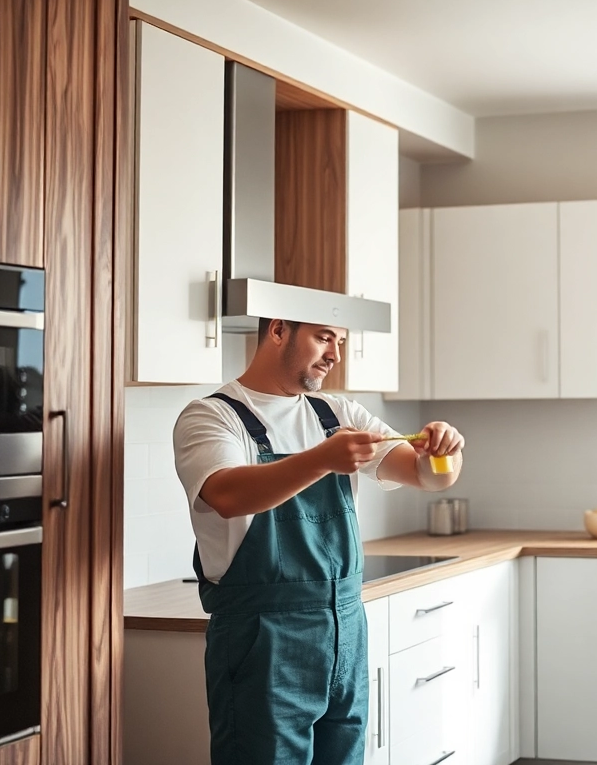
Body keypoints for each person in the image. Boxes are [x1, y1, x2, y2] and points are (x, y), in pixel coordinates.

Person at [172, 318, 464, 765]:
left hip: (345, 628)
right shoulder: (211, 415)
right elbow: (227, 494)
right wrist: (323, 459)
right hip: (264, 638)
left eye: (341, 342)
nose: (336, 355)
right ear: (277, 331)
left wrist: (445, 453)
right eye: (324, 337)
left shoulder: (337, 413)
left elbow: (422, 475)